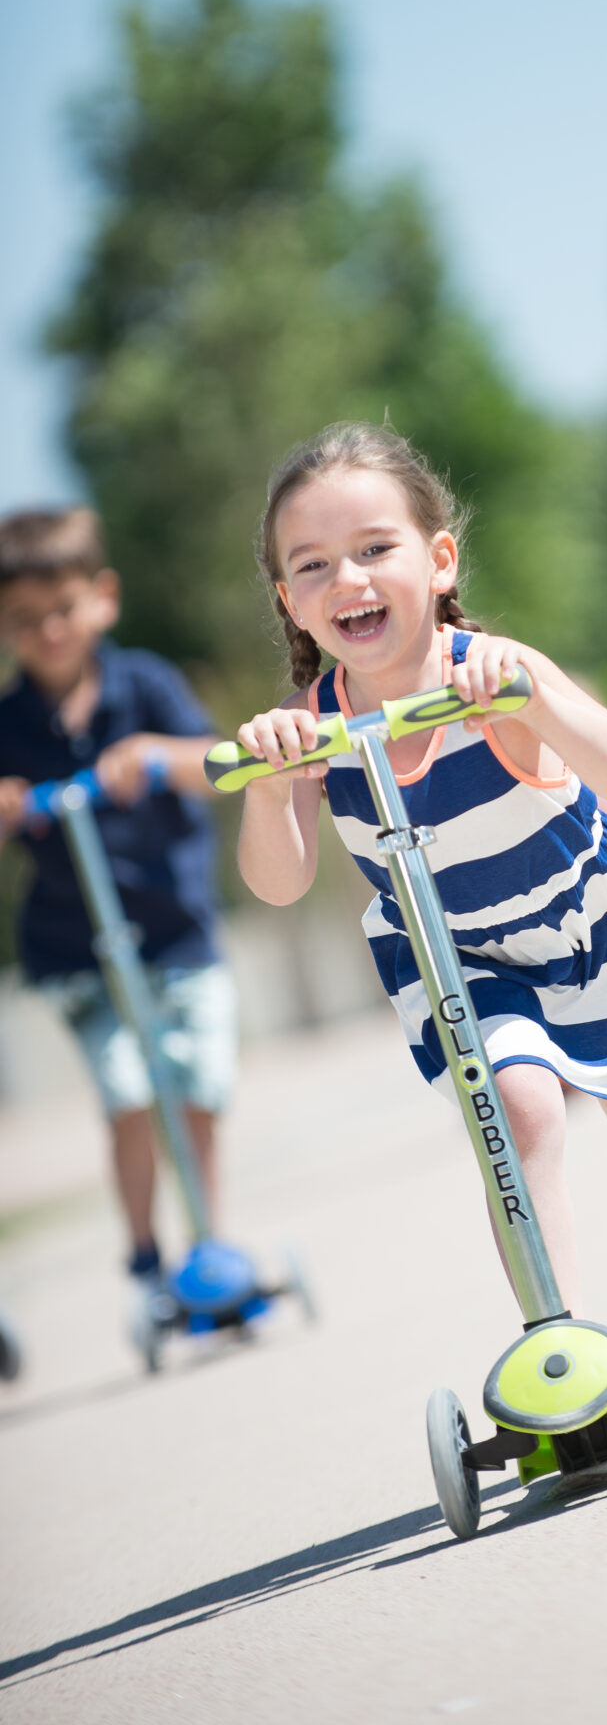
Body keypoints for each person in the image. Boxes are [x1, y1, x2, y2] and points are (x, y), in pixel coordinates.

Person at [231, 422, 607, 1382]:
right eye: (313, 565)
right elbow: (279, 880)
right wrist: (267, 785)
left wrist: (530, 706)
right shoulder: (315, 729)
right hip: (456, 957)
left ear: (438, 558)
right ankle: (563, 1340)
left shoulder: (495, 670)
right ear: (288, 600)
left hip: (582, 930)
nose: (349, 580)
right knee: (519, 1110)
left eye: (375, 549)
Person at [0, 508, 237, 1315]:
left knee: (196, 1087)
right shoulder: (8, 725)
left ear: (102, 598)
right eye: (25, 622)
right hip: (81, 949)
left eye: (63, 610)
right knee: (129, 1094)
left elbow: (216, 763)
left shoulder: (146, 685)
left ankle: (211, 1240)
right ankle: (145, 1256)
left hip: (176, 929)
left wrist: (156, 758)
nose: (49, 632)